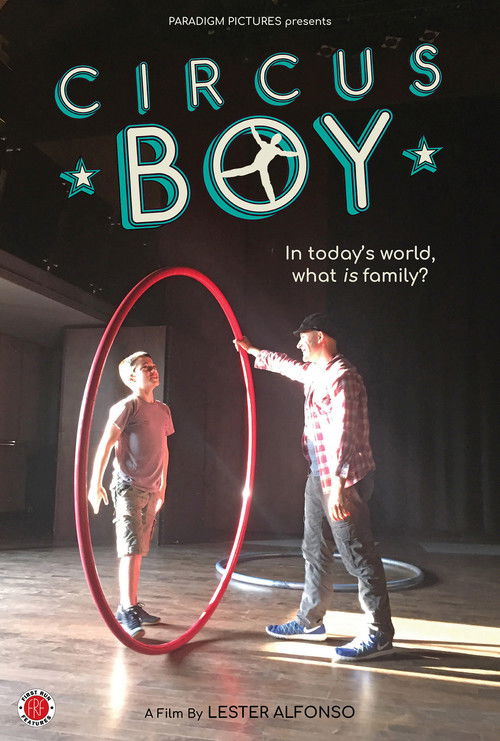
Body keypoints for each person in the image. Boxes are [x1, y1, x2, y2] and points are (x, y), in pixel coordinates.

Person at [235, 313, 394, 662]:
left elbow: (345, 434)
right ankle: (310, 621)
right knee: (314, 549)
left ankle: (379, 633)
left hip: (342, 480)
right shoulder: (317, 372)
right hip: (319, 475)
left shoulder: (343, 377)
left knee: (358, 556)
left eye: (302, 337)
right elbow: (287, 366)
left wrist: (337, 486)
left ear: (319, 336)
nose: (298, 344)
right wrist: (252, 351)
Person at [88, 351, 174, 638]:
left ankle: (132, 604)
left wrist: (162, 486)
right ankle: (126, 609)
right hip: (128, 486)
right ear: (132, 377)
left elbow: (164, 448)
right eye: (145, 367)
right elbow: (105, 444)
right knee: (131, 548)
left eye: (153, 366)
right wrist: (94, 483)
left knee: (139, 549)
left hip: (151, 488)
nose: (153, 370)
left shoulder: (163, 410)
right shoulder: (127, 407)